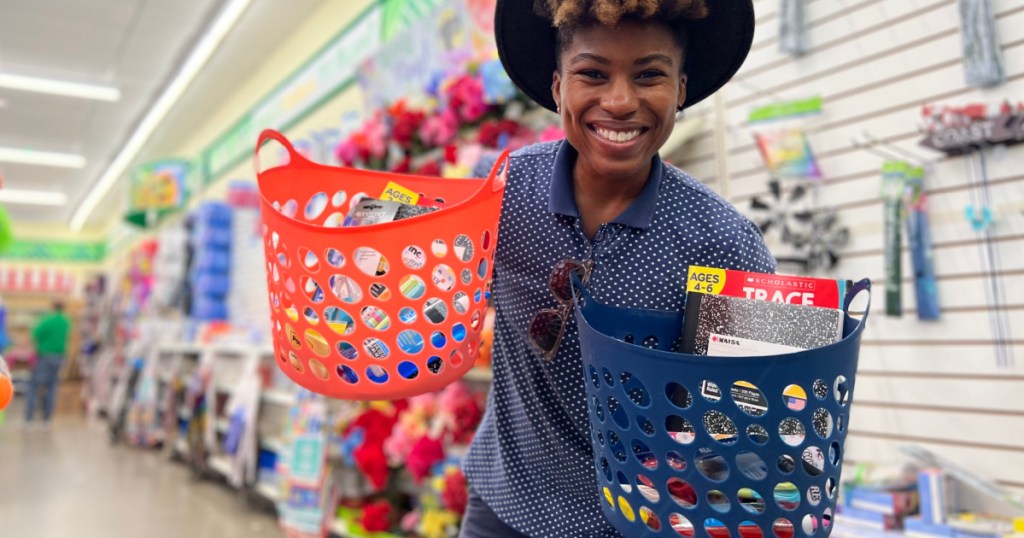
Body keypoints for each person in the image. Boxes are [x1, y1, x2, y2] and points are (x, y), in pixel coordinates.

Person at [460, 1, 774, 537]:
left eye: (650, 74)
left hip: (637, 522)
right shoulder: (504, 191)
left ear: (680, 88)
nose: (621, 101)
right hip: (504, 504)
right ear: (558, 87)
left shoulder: (723, 244)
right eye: (592, 74)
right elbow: (431, 275)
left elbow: (756, 409)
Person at [25, 301, 71, 427]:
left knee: (34, 387)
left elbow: (34, 334)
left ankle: (29, 420)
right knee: (52, 388)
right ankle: (46, 420)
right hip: (60, 357)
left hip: (44, 356)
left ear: (52, 306)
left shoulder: (47, 320)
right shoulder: (66, 321)